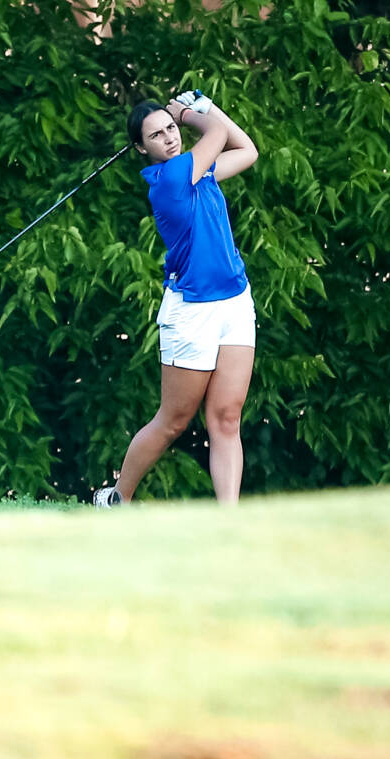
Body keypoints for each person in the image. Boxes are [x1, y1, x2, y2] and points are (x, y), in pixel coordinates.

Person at [96, 91, 258, 507]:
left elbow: (248, 150)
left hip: (235, 303)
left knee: (226, 418)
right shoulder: (169, 180)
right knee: (173, 421)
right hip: (191, 312)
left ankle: (229, 521)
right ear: (141, 149)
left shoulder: (199, 173)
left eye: (171, 130)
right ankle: (118, 498)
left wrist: (202, 104)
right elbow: (219, 133)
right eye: (157, 135)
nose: (169, 138)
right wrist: (189, 112)